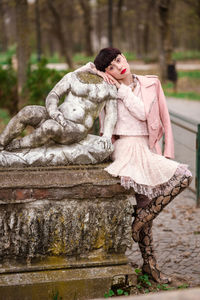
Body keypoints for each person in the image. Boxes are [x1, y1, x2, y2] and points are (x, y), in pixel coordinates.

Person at [92, 47, 192, 284]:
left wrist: (167, 152)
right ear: (107, 72)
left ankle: (139, 222)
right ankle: (151, 264)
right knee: (144, 203)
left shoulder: (151, 83)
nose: (118, 67)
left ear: (124, 55)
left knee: (183, 177)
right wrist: (98, 73)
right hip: (125, 148)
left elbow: (163, 118)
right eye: (111, 68)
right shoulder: (109, 88)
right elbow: (84, 72)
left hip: (147, 149)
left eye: (118, 60)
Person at [0, 64, 117, 152]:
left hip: (76, 128)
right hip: (57, 115)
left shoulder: (109, 88)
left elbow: (111, 114)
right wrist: (54, 111)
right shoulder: (73, 76)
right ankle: (2, 142)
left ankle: (18, 145)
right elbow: (54, 94)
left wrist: (107, 136)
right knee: (27, 111)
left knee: (49, 126)